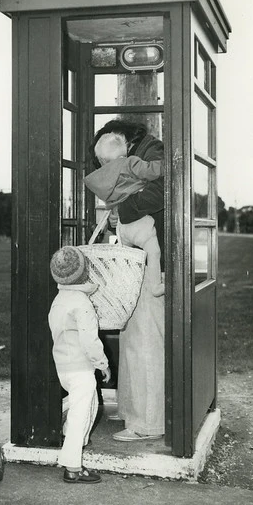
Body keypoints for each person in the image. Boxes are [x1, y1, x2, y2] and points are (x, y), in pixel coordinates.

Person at [88, 119, 165, 442]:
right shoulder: (140, 154)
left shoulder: (152, 152)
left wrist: (125, 210)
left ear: (123, 140)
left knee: (145, 340)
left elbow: (161, 193)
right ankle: (132, 408)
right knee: (133, 336)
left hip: (151, 260)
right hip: (141, 258)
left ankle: (147, 422)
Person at [48, 245, 111, 483]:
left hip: (63, 365)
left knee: (88, 402)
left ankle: (74, 435)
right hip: (81, 368)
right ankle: (72, 467)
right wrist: (102, 363)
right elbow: (89, 340)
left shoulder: (59, 300)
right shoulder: (82, 303)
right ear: (84, 273)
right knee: (80, 413)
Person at [84, 131, 164, 297]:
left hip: (123, 229)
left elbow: (114, 203)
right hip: (140, 226)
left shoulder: (103, 176)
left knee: (126, 260)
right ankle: (156, 286)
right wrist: (170, 163)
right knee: (153, 252)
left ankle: (123, 287)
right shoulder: (129, 163)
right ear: (124, 151)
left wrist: (115, 214)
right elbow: (152, 171)